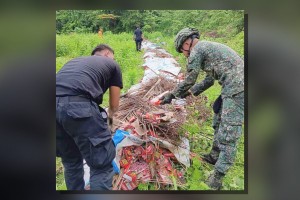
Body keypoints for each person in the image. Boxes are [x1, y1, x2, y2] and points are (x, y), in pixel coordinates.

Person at [159, 28, 244, 190]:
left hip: (238, 88)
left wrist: (172, 95)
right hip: (233, 86)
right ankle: (213, 156)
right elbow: (209, 80)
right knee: (217, 117)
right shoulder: (206, 48)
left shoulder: (197, 49)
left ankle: (217, 177)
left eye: (182, 51)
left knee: (229, 131)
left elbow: (190, 78)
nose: (184, 54)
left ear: (186, 43)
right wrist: (189, 93)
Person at [56, 44, 123, 190]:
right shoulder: (112, 64)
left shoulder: (75, 61)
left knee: (71, 161)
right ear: (106, 54)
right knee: (102, 163)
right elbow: (114, 105)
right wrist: (109, 124)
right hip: (78, 107)